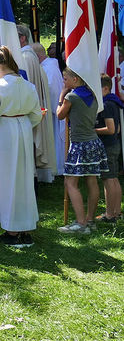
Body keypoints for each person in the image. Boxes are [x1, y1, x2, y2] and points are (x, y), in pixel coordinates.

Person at [0, 47, 42, 247]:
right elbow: (36, 114)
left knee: (7, 180)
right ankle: (24, 227)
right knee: (23, 179)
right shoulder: (27, 85)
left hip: (4, 133)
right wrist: (23, 124)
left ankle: (12, 231)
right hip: (22, 130)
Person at [56, 67, 107, 234]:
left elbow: (60, 115)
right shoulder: (93, 95)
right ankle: (90, 220)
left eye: (65, 79)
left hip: (79, 144)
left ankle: (80, 223)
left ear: (75, 80)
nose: (64, 82)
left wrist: (61, 95)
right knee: (92, 182)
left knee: (70, 183)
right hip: (94, 142)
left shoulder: (71, 97)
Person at [17, 25, 57, 182]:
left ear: (23, 38)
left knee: (30, 146)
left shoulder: (26, 57)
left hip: (28, 110)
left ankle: (31, 181)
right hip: (32, 108)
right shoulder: (29, 56)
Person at [34, 42, 67, 171]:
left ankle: (58, 168)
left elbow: (52, 90)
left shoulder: (49, 68)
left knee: (55, 140)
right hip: (52, 108)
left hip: (53, 110)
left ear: (37, 56)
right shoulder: (48, 66)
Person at [95, 74, 122, 223]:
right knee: (113, 179)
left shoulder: (106, 104)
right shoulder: (113, 102)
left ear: (105, 88)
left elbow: (111, 129)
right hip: (114, 144)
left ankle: (110, 214)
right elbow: (117, 129)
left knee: (108, 180)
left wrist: (93, 131)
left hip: (107, 146)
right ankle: (116, 211)